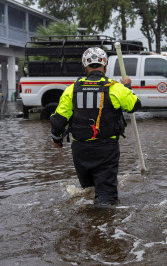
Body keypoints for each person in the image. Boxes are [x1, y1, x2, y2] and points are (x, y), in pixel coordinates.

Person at [50, 47, 141, 205]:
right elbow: (134, 105)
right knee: (106, 196)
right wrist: (127, 86)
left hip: (81, 149)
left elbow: (58, 119)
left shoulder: (72, 89)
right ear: (105, 66)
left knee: (88, 191)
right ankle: (104, 225)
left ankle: (89, 225)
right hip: (106, 148)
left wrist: (56, 138)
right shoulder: (114, 88)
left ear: (85, 66)